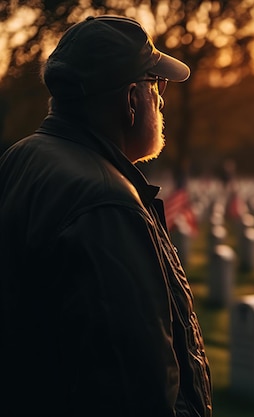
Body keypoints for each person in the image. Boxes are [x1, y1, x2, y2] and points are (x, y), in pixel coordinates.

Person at [0, 16, 212, 416]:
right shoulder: (107, 204)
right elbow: (138, 388)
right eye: (156, 83)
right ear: (132, 99)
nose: (163, 98)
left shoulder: (22, 157)